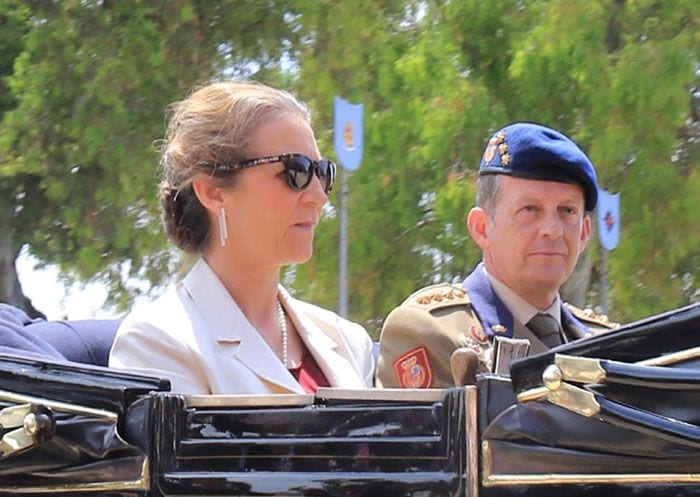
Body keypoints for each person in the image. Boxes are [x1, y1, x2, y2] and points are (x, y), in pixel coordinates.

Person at [109, 81, 374, 394]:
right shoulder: (156, 344)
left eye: (323, 172)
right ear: (212, 192)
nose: (318, 196)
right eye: (296, 172)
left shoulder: (348, 341)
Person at [376, 122, 615, 388]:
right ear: (482, 228)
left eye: (567, 211)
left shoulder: (611, 347)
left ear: (583, 234)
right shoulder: (430, 331)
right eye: (530, 209)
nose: (552, 229)